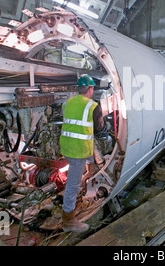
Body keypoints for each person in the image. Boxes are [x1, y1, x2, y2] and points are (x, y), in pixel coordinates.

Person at [59, 74, 106, 232]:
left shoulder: (67, 102)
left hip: (67, 147)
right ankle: (68, 221)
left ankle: (88, 173)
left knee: (85, 168)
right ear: (90, 88)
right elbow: (99, 128)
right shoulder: (93, 106)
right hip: (78, 151)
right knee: (72, 186)